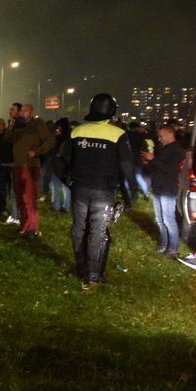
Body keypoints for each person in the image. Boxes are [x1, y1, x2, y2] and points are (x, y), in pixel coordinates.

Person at [56, 93, 136, 287]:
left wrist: (70, 182)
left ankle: (81, 267)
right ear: (111, 111)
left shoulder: (76, 132)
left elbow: (61, 161)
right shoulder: (117, 134)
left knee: (79, 229)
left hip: (79, 190)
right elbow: (127, 167)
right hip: (104, 191)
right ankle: (93, 276)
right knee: (98, 232)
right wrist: (130, 195)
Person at [5, 103, 54, 238]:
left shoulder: (37, 124)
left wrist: (37, 152)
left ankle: (32, 228)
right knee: (20, 197)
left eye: (25, 111)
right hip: (18, 165)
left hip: (30, 165)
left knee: (29, 198)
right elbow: (8, 139)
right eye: (21, 111)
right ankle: (24, 225)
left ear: (31, 112)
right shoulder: (19, 125)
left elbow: (50, 140)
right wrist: (11, 127)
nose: (22, 113)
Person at [145, 124, 186, 258]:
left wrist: (153, 159)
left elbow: (171, 169)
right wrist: (149, 162)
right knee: (159, 219)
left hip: (167, 188)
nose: (159, 138)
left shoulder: (177, 150)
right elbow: (158, 166)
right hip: (158, 187)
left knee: (168, 219)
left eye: (161, 135)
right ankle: (164, 244)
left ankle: (173, 248)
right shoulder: (164, 148)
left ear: (169, 134)